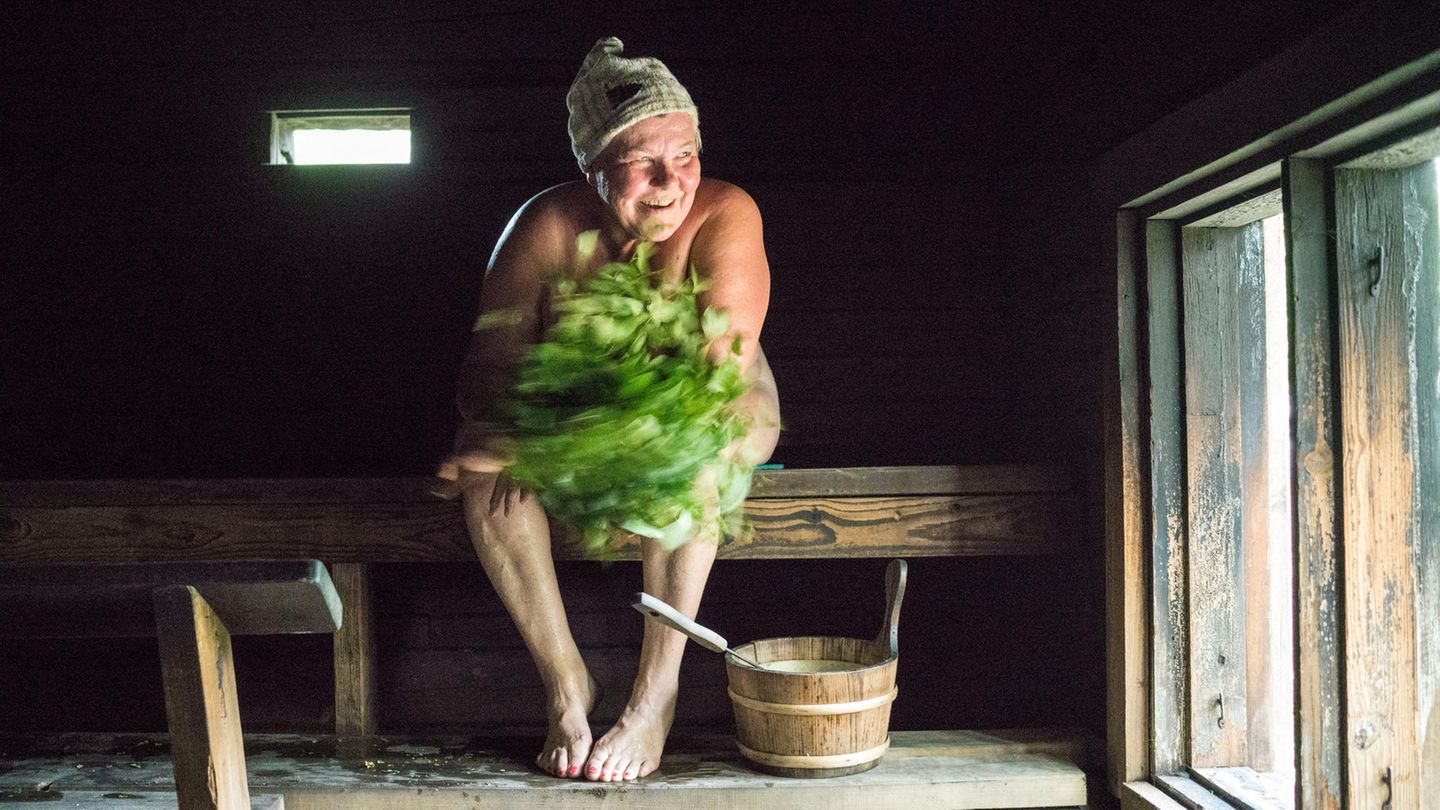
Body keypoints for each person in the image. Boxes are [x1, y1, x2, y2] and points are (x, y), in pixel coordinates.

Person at [433, 37, 780, 783]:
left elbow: (715, 373)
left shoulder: (726, 213)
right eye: (642, 161)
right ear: (593, 167)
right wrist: (504, 431)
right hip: (569, 415)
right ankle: (567, 685)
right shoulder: (546, 227)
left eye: (684, 155)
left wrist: (559, 446)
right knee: (485, 472)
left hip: (712, 404)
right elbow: (488, 367)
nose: (670, 181)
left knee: (694, 461)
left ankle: (655, 697)